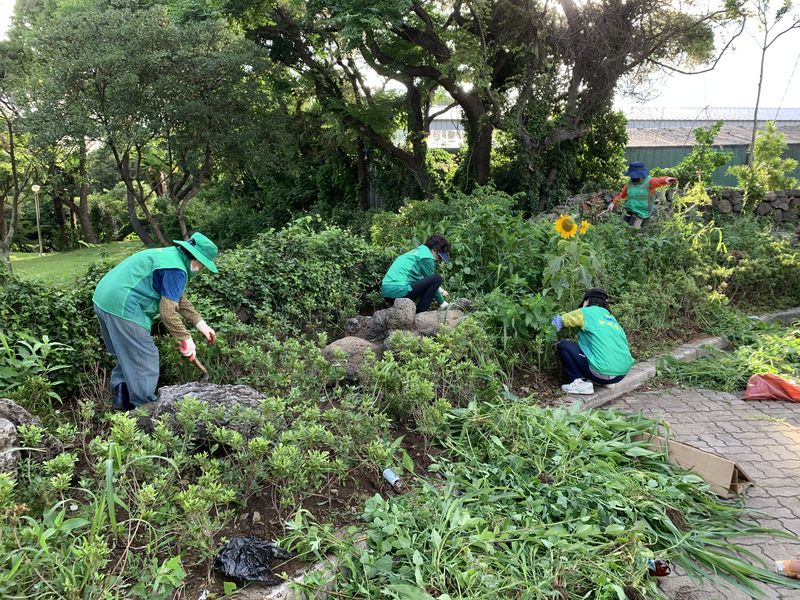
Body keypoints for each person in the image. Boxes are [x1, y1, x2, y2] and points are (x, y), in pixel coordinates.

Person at [92, 232, 219, 411]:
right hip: (124, 305)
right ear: (197, 260)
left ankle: (122, 399)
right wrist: (186, 339)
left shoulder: (171, 257)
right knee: (145, 356)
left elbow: (178, 298)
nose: (202, 269)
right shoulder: (177, 270)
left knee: (127, 351)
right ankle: (145, 409)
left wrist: (201, 324)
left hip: (104, 299)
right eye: (203, 265)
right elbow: (168, 312)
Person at [551, 288, 634, 395]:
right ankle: (606, 380)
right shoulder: (611, 318)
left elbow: (559, 322)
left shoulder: (586, 312)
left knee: (564, 346)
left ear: (588, 301)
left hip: (601, 372)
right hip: (620, 374)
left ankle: (579, 383)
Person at [381, 234, 450, 313]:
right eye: (440, 257)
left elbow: (424, 280)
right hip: (399, 290)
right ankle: (420, 312)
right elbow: (433, 280)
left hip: (387, 292)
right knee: (437, 278)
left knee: (433, 280)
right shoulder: (427, 258)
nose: (439, 260)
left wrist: (441, 290)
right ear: (434, 250)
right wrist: (443, 303)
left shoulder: (419, 251)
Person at [608, 161, 678, 227]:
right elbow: (622, 195)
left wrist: (666, 180)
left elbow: (658, 181)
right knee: (623, 228)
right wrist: (613, 203)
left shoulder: (649, 181)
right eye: (632, 177)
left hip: (642, 213)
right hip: (629, 210)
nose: (634, 179)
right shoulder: (630, 183)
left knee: (632, 232)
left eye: (636, 177)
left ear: (642, 175)